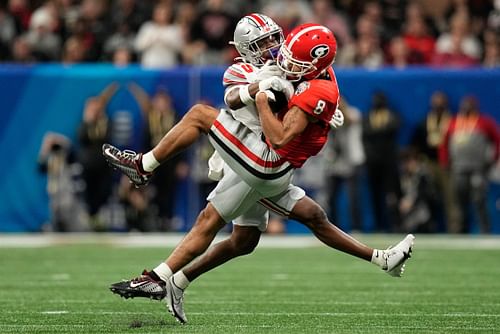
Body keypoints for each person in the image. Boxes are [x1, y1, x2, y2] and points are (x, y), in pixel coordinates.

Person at [103, 21, 414, 323]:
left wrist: (297, 105)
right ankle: (174, 277)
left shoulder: (310, 80)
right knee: (263, 231)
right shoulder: (242, 69)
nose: (276, 50)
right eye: (262, 44)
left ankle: (146, 189)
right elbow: (232, 97)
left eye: (274, 40)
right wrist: (260, 90)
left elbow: (291, 115)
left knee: (225, 219)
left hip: (265, 162)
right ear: (244, 49)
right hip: (256, 157)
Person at [439, 96, 499, 233]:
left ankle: (485, 230)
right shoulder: (454, 122)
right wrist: (444, 161)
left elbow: (497, 140)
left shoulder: (484, 122)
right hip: (458, 168)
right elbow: (444, 143)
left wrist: (493, 159)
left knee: (479, 200)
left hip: (478, 168)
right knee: (459, 201)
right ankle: (461, 231)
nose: (466, 108)